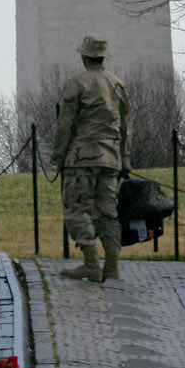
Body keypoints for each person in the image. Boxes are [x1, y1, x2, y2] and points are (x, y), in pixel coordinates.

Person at [54, 35, 130, 285]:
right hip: (111, 158)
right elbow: (125, 127)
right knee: (107, 213)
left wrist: (59, 154)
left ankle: (90, 264)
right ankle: (112, 267)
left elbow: (65, 124)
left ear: (84, 56)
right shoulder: (118, 85)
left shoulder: (78, 84)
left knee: (76, 210)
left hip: (82, 157)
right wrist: (125, 160)